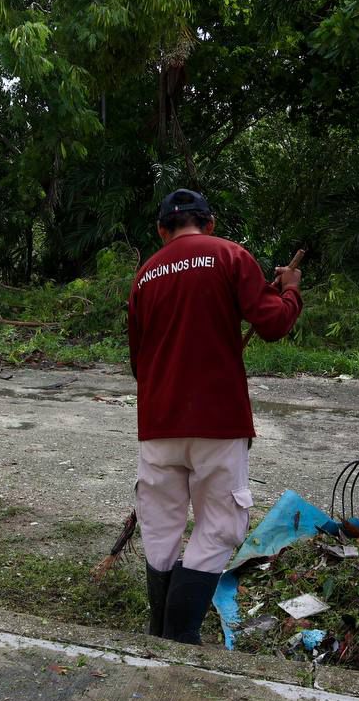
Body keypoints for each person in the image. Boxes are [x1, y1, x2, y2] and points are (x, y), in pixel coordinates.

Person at [127, 189, 303, 644]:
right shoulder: (229, 256)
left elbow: (138, 360)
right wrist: (290, 289)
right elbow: (274, 324)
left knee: (161, 525)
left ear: (163, 230)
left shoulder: (145, 275)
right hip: (217, 421)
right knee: (221, 526)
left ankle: (159, 627)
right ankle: (180, 632)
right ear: (208, 223)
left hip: (159, 423)